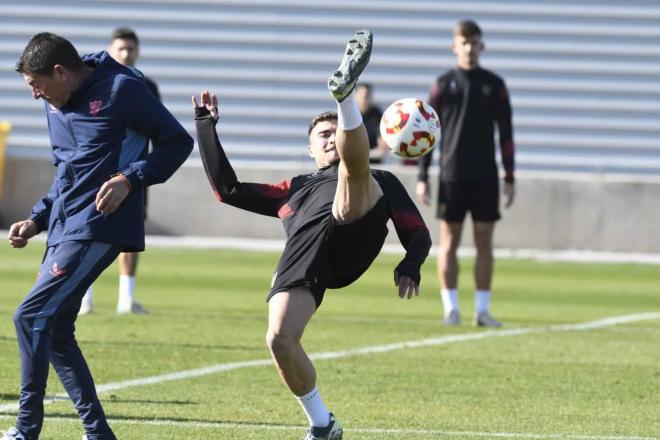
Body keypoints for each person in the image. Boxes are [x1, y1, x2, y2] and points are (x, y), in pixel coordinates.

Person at [193, 30, 431, 440]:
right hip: (309, 262)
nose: (329, 141)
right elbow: (226, 191)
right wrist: (205, 128)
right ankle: (323, 424)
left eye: (334, 132)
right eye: (323, 136)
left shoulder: (382, 178)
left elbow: (417, 231)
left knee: (353, 175)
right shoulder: (295, 187)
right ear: (309, 149)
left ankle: (345, 96)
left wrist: (411, 261)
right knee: (279, 341)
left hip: (356, 223)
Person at [5, 32, 192, 440]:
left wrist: (130, 178)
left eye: (37, 86)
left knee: (30, 315)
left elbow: (178, 141)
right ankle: (98, 433)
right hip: (62, 227)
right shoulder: (55, 102)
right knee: (53, 329)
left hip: (100, 225)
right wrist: (37, 219)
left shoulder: (122, 89)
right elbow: (68, 172)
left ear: (60, 72)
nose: (35, 96)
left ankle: (24, 430)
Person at [416, 20, 515, 327]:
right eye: (464, 42)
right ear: (454, 46)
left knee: (484, 240)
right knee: (449, 242)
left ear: (481, 46)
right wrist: (423, 176)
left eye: (474, 42)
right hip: (452, 174)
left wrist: (509, 177)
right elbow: (427, 131)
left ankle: (482, 310)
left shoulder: (494, 85)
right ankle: (451, 309)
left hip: (485, 175)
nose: (470, 47)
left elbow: (506, 133)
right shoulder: (443, 84)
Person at [79, 27, 160, 315]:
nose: (126, 53)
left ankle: (126, 298)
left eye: (130, 49)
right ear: (111, 50)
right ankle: (84, 297)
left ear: (137, 51)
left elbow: (159, 127)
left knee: (130, 231)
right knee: (88, 230)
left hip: (134, 173)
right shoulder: (97, 82)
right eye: (120, 48)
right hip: (99, 170)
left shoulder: (146, 86)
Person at [354, 82, 388, 163]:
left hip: (373, 164)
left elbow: (382, 149)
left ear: (371, 97)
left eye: (366, 96)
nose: (363, 99)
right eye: (361, 96)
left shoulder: (378, 115)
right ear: (355, 97)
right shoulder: (350, 116)